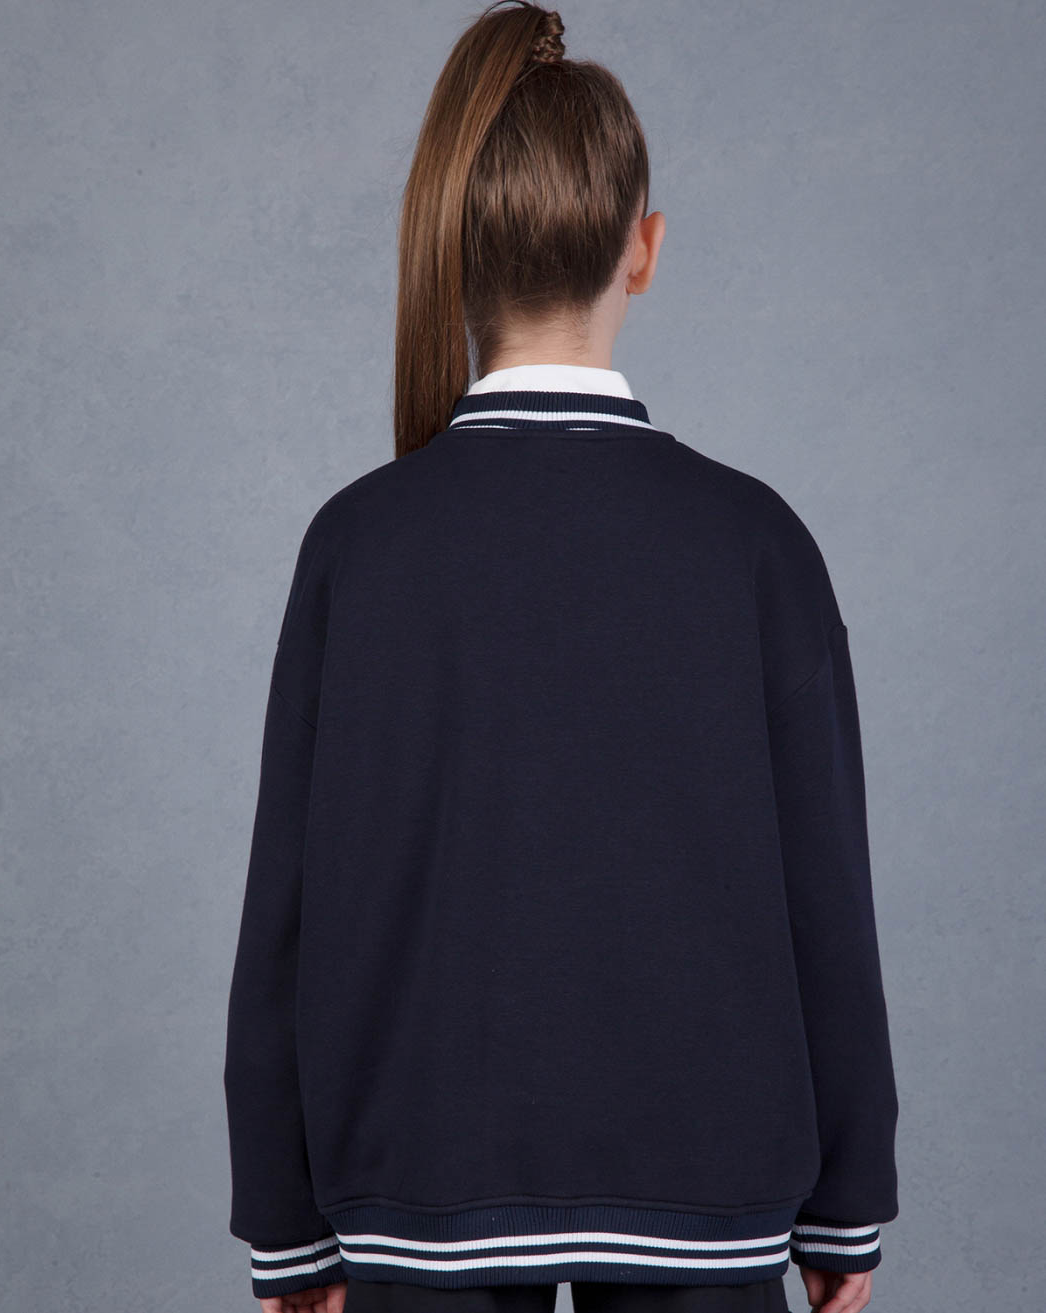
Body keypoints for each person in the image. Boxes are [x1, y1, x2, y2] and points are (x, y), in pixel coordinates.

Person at [221, 4, 900, 1313]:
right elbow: (828, 894)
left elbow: (287, 914)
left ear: (455, 249)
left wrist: (286, 1222)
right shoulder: (756, 542)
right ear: (643, 250)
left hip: (416, 1192)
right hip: (708, 1187)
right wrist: (847, 1195)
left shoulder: (357, 544)